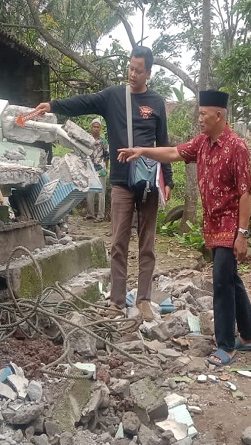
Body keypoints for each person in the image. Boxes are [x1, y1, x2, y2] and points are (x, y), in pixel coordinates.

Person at [117, 90, 251, 367]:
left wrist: (242, 234)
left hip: (230, 226)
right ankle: (250, 334)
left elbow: (245, 193)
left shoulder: (237, 147)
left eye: (203, 114)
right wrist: (142, 151)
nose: (200, 119)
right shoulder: (202, 143)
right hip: (212, 224)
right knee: (231, 278)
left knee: (222, 282)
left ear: (218, 115)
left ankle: (226, 346)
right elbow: (172, 152)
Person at [34, 46, 173, 321]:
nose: (132, 74)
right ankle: (117, 301)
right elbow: (83, 103)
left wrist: (167, 178)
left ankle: (144, 300)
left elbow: (164, 142)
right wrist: (53, 105)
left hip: (148, 183)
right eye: (130, 68)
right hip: (121, 181)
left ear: (149, 72)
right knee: (119, 242)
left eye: (139, 70)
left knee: (147, 244)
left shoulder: (156, 102)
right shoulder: (113, 96)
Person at [86, 117, 109, 222]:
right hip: (90, 168)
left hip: (101, 168)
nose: (96, 128)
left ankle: (100, 216)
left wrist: (105, 168)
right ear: (91, 127)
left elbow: (107, 156)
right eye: (94, 126)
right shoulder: (87, 139)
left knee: (101, 193)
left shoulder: (103, 141)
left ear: (100, 128)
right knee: (89, 192)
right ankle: (90, 214)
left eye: (97, 127)